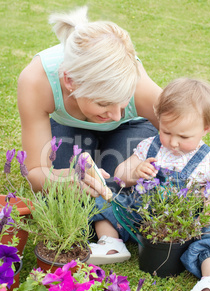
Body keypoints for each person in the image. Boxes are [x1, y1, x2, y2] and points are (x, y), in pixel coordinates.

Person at [89, 78, 210, 291]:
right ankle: (111, 243)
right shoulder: (149, 146)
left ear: (206, 127)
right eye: (166, 131)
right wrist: (134, 171)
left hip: (188, 227)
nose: (173, 142)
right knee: (108, 200)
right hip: (141, 216)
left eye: (184, 137)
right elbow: (120, 175)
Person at [17, 6, 160, 194]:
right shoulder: (36, 81)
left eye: (124, 100)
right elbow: (35, 172)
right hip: (69, 128)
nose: (117, 116)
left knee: (114, 187)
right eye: (103, 103)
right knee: (68, 197)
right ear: (70, 81)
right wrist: (62, 180)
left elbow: (186, 137)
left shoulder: (143, 90)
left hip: (132, 127)